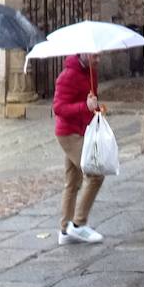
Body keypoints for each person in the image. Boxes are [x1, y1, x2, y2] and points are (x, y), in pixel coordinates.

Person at [51, 52, 105, 244]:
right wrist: (85, 106)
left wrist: (96, 110)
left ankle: (65, 230)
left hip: (83, 131)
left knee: (73, 181)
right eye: (95, 56)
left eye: (100, 56)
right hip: (69, 133)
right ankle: (79, 225)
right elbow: (58, 107)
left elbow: (90, 102)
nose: (98, 60)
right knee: (96, 173)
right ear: (82, 54)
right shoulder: (68, 75)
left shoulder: (91, 72)